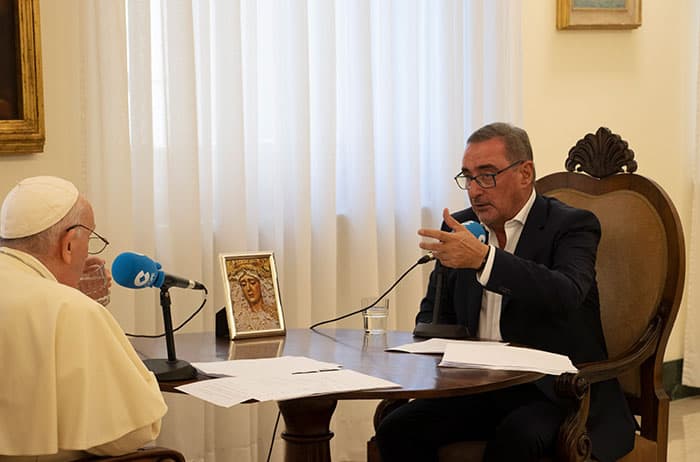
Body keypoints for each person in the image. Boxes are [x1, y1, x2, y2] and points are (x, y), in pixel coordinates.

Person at [375, 123, 636, 462]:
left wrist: (486, 261)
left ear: (525, 173)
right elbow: (432, 316)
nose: (474, 190)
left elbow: (566, 292)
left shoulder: (572, 226)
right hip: (478, 387)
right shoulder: (460, 229)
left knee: (518, 437)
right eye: (467, 177)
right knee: (397, 428)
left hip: (554, 391)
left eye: (487, 175)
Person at [0, 176, 167, 460]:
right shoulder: (71, 309)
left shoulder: (64, 302)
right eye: (91, 239)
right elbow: (130, 433)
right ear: (68, 245)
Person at [231, 265, 280, 331]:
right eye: (243, 284)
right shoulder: (239, 319)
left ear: (262, 285)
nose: (248, 288)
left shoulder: (273, 316)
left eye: (252, 282)